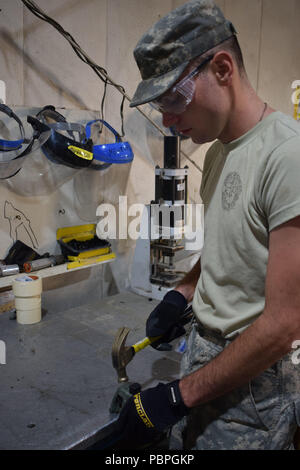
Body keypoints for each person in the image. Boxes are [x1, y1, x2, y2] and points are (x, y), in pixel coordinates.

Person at [115, 0, 300, 450]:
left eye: (175, 98)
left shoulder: (287, 157)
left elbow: (285, 321)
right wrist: (183, 293)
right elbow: (229, 247)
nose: (169, 120)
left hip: (254, 393)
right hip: (205, 363)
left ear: (222, 68)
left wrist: (176, 397)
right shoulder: (219, 151)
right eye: (161, 105)